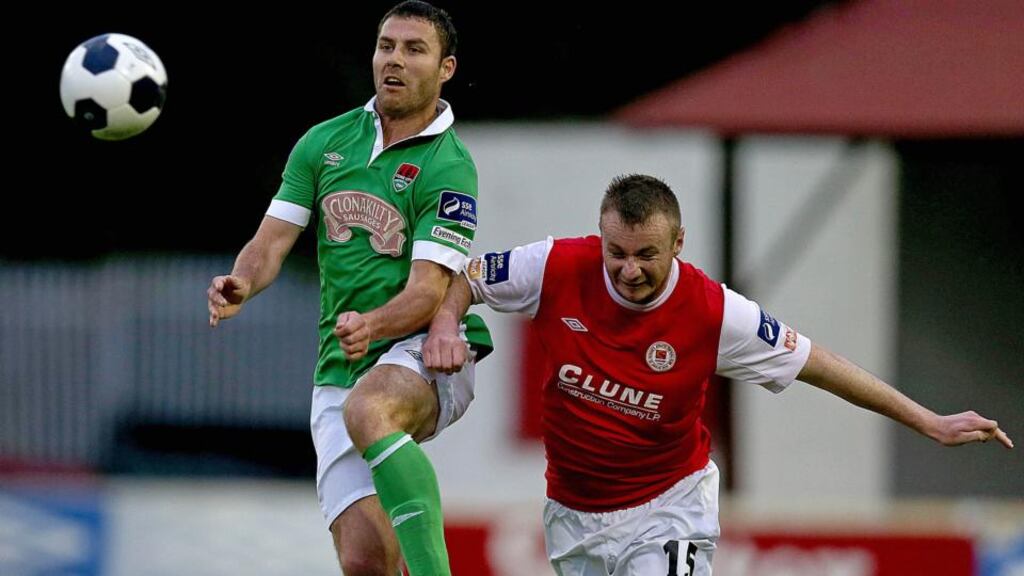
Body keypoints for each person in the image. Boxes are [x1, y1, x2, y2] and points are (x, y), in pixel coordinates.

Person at [423, 173, 1013, 576]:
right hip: (571, 512)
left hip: (666, 506)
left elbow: (820, 365)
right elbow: (464, 276)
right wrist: (447, 323)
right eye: (616, 252)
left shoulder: (715, 311)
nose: (628, 271)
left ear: (679, 242)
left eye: (646, 255)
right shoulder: (554, 264)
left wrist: (927, 420)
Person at [206, 2, 490, 574]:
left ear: (446, 69)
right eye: (387, 45)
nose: (395, 60)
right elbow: (270, 244)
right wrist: (241, 282)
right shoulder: (324, 142)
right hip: (340, 362)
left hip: (425, 351)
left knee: (371, 407)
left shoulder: (450, 165)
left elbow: (429, 292)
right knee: (367, 562)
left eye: (414, 50)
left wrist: (373, 326)